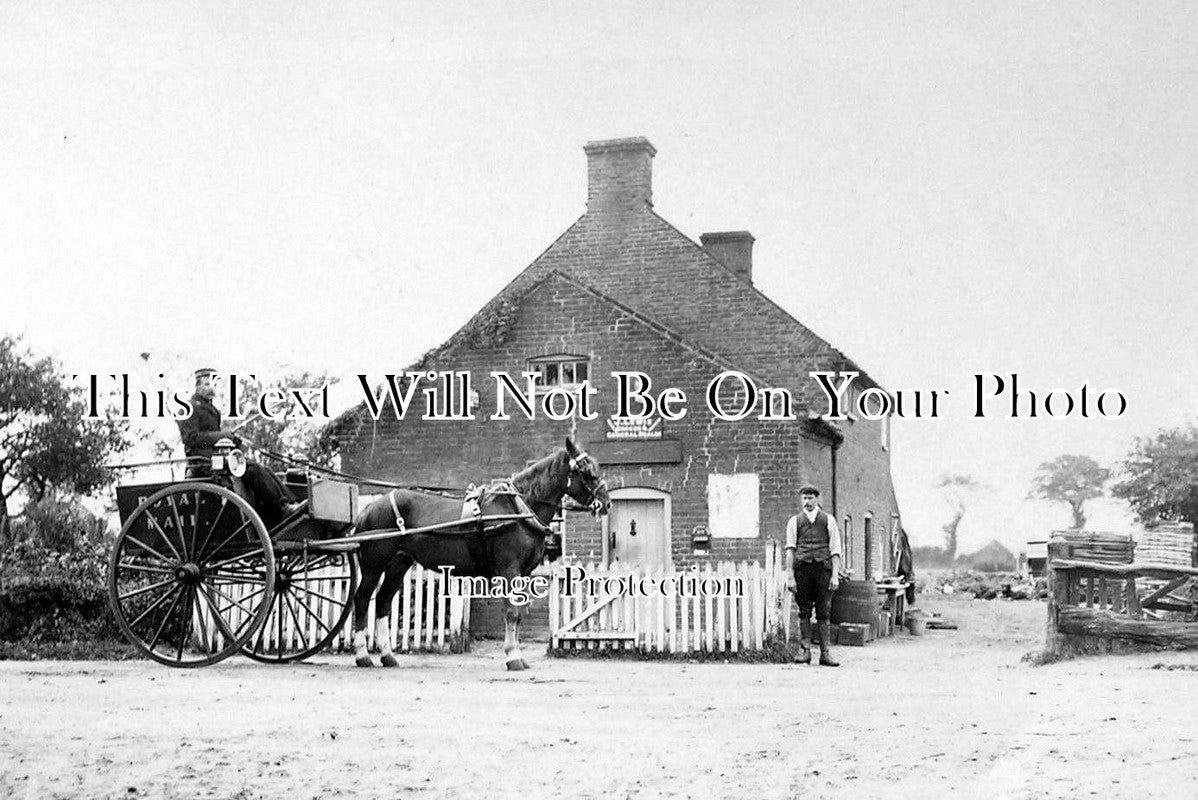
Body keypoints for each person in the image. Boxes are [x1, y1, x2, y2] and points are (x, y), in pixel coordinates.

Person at [177, 368, 298, 527]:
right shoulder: (188, 408)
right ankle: (279, 508)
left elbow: (213, 439)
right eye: (207, 384)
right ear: (197, 386)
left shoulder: (212, 410)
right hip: (203, 463)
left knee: (263, 469)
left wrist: (232, 440)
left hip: (219, 459)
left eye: (213, 384)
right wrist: (221, 437)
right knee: (253, 469)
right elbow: (191, 440)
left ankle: (289, 503)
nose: (211, 388)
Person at [783, 485, 841, 667]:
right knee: (804, 611)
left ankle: (825, 653)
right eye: (804, 498)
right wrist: (790, 576)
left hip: (823, 571)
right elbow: (790, 550)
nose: (807, 502)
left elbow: (835, 550)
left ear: (817, 499)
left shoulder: (828, 520)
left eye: (810, 498)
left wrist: (835, 575)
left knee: (824, 612)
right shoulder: (795, 521)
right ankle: (805, 651)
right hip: (803, 571)